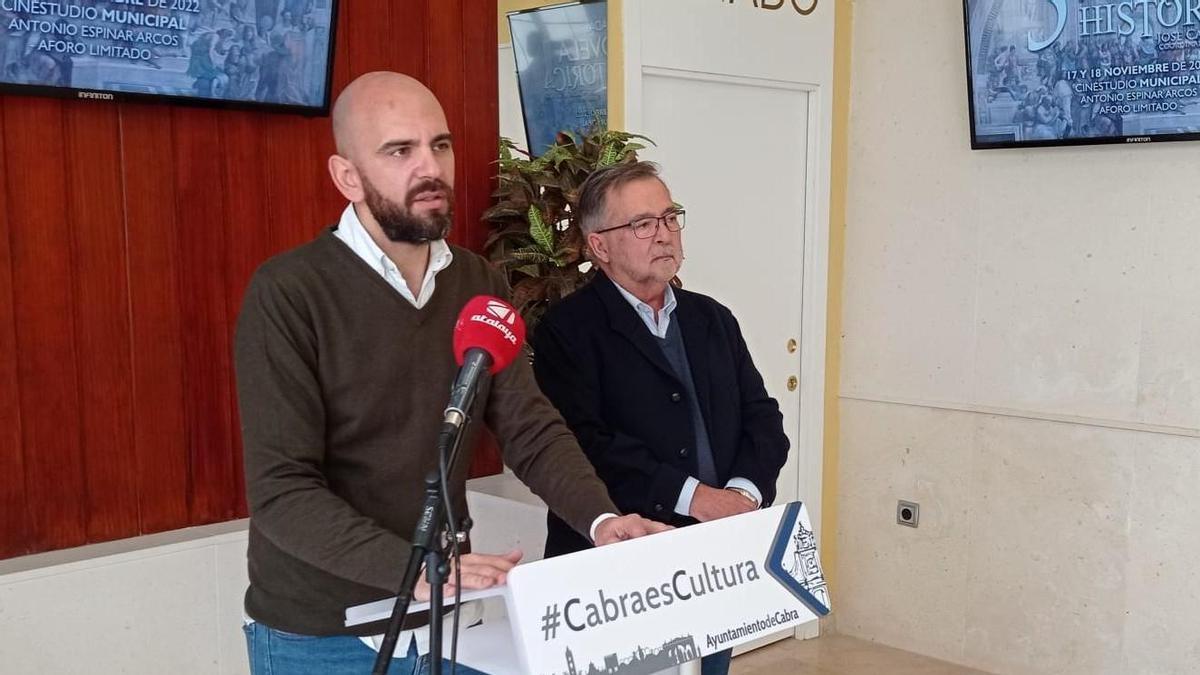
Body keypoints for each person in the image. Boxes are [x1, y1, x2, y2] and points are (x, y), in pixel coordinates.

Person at [234, 72, 668, 675]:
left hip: (447, 620)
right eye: (399, 150)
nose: (430, 167)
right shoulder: (289, 292)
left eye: (440, 145)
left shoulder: (477, 282)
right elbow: (282, 492)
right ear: (347, 176)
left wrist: (601, 519)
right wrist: (416, 572)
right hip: (322, 634)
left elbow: (529, 426)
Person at [530, 161, 791, 675]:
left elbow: (762, 419)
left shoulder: (711, 317)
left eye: (670, 217)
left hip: (714, 557)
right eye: (642, 224)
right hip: (619, 561)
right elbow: (585, 445)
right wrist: (697, 497)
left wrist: (741, 495)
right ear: (599, 246)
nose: (664, 234)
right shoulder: (568, 331)